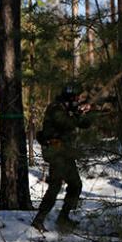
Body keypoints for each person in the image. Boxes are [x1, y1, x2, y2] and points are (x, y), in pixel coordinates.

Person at [31, 84, 92, 233]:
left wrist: (88, 112)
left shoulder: (68, 110)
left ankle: (63, 217)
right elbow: (66, 123)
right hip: (55, 152)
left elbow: (85, 124)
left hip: (65, 153)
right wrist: (78, 113)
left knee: (75, 185)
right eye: (76, 98)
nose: (78, 100)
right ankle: (39, 219)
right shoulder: (56, 109)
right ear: (69, 98)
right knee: (55, 186)